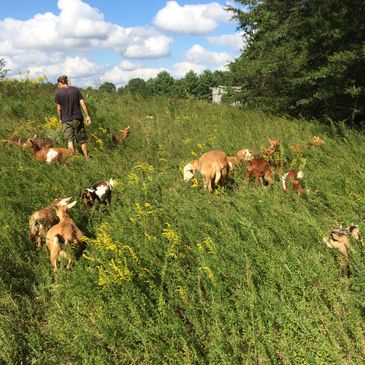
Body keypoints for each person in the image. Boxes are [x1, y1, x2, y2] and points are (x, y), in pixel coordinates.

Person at [55, 75, 91, 160]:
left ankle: (72, 159)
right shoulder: (76, 90)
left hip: (66, 120)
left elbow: (59, 108)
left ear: (60, 83)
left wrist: (60, 119)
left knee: (70, 140)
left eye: (58, 84)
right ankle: (86, 158)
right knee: (82, 140)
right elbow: (83, 103)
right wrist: (87, 116)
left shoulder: (58, 93)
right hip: (78, 118)